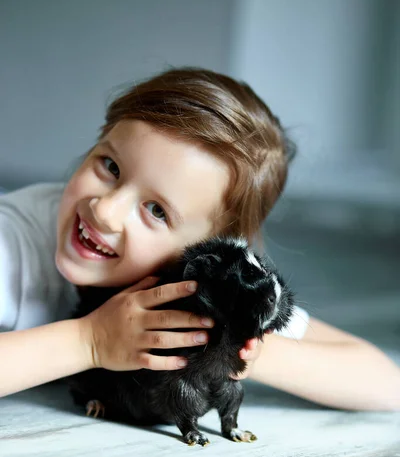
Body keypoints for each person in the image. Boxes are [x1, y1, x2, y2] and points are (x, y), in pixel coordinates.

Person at [0, 67, 399, 409]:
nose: (104, 210)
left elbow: (385, 383)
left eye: (157, 211)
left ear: (210, 248)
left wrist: (239, 349)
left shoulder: (203, 281)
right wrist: (90, 340)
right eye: (111, 166)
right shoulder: (14, 239)